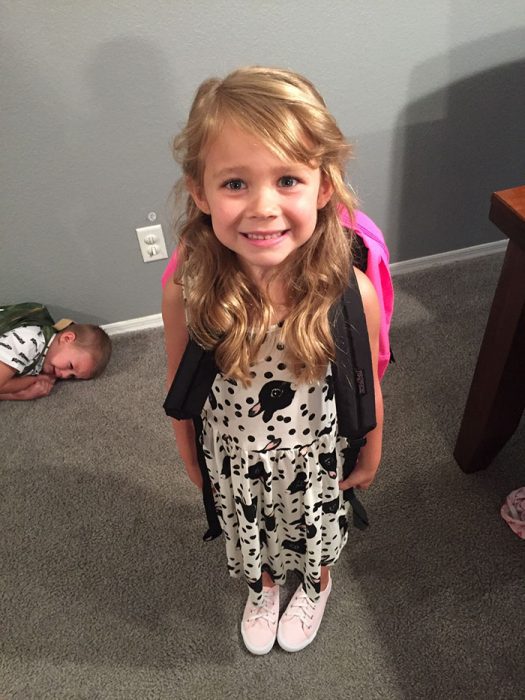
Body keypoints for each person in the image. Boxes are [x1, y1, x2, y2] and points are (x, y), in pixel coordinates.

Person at [162, 66, 384, 655]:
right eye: (235, 183)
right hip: (233, 453)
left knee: (312, 535)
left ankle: (315, 583)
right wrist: (189, 452)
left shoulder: (350, 293)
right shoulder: (188, 290)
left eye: (288, 179)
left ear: (324, 186)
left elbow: (367, 381)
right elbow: (178, 381)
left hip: (315, 452)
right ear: (199, 190)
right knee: (250, 528)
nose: (263, 207)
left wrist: (373, 448)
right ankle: (262, 587)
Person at [0, 320, 112, 400]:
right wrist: (21, 394)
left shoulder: (48, 355)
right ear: (67, 338)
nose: (63, 375)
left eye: (71, 376)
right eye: (70, 366)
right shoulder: (27, 342)